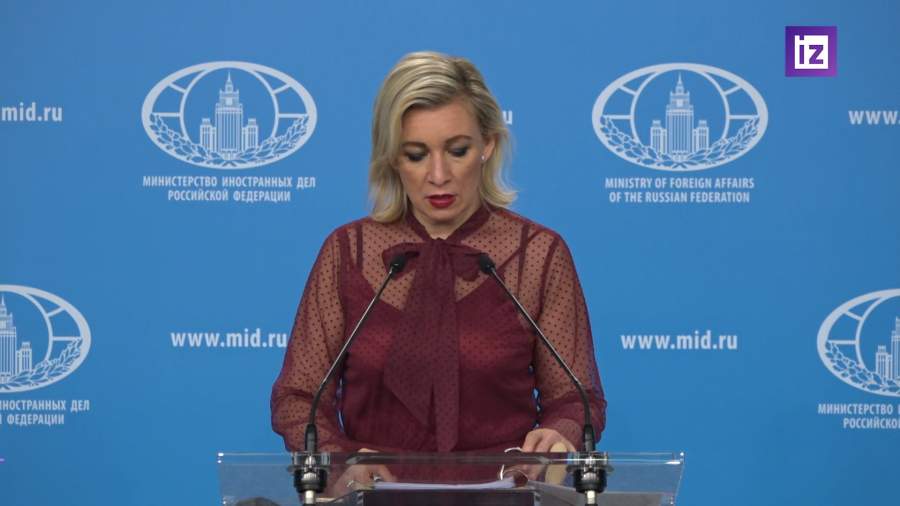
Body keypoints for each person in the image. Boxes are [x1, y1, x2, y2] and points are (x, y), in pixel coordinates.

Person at [270, 51, 606, 491]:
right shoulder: (347, 252)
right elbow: (298, 398)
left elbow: (577, 400)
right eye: (415, 155)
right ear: (392, 158)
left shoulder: (537, 255)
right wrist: (338, 461)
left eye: (457, 150)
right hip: (374, 496)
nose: (438, 175)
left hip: (505, 495)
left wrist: (560, 432)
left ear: (488, 144)